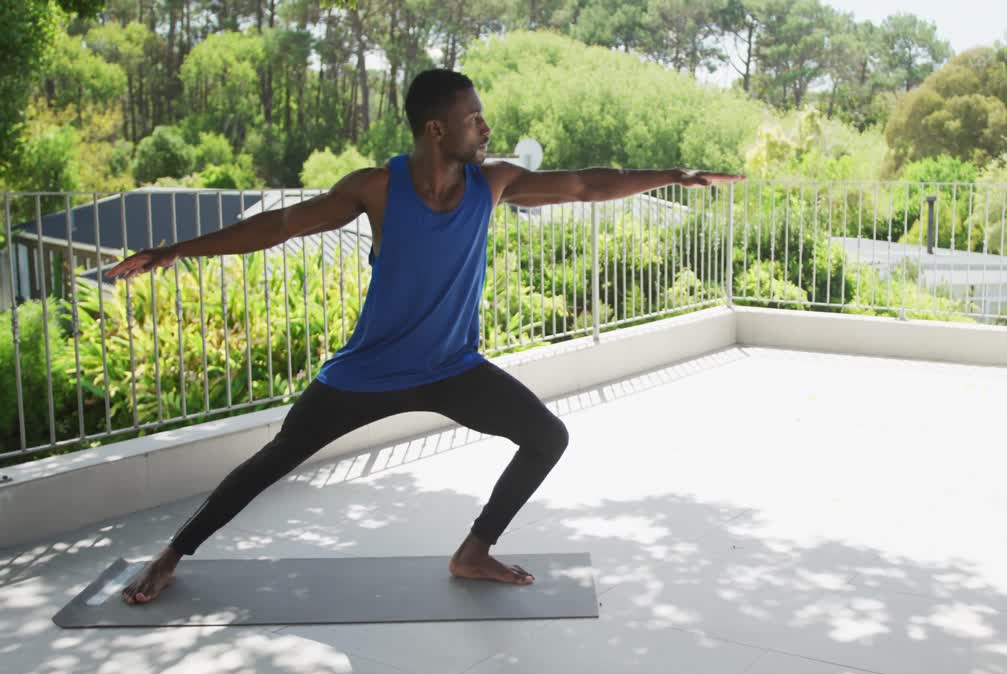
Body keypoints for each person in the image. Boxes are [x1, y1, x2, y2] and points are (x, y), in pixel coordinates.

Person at [106, 69, 744, 604]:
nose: (486, 129)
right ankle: (171, 554)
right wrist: (172, 252)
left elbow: (588, 185)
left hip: (451, 367)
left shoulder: (492, 183)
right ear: (437, 128)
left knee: (547, 435)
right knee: (273, 461)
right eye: (476, 119)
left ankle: (473, 551)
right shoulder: (376, 188)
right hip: (365, 373)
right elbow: (279, 225)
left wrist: (678, 175)